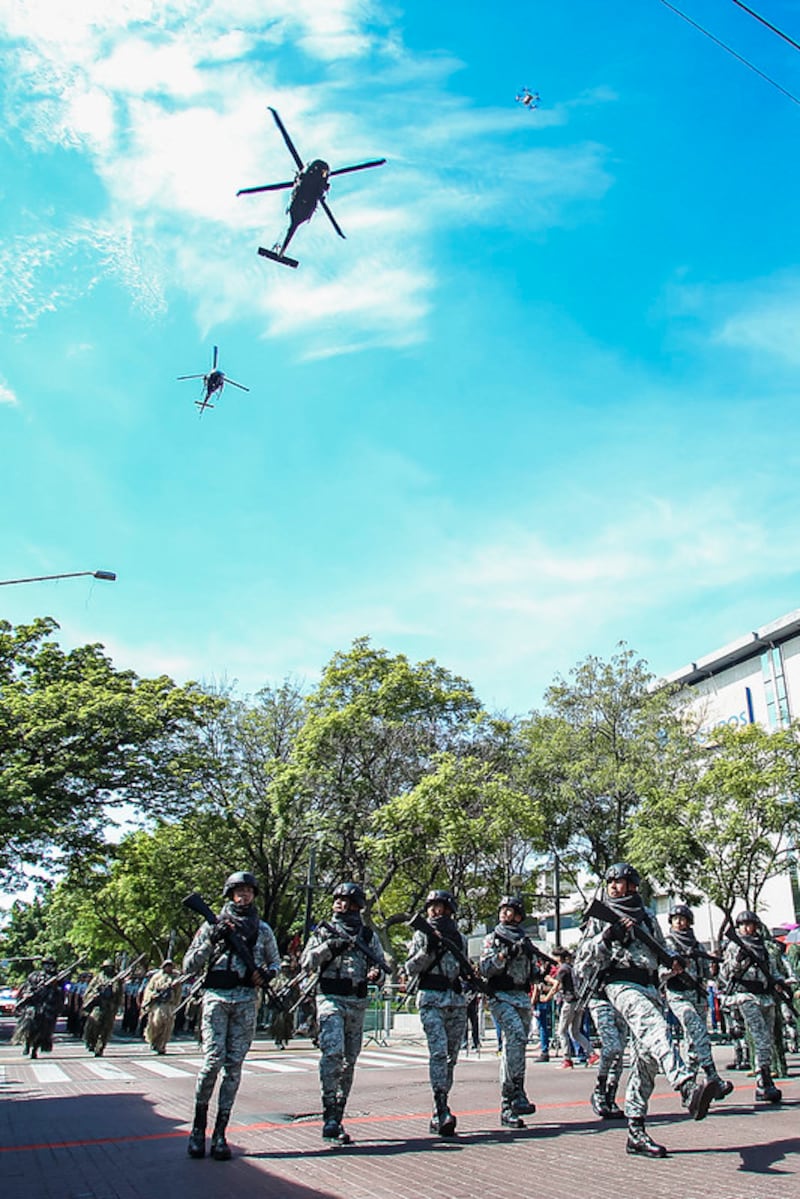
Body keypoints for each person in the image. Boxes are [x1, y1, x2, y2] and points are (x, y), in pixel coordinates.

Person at [581, 863, 720, 1158]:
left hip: (649, 986)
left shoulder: (646, 917)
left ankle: (636, 1129)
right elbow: (583, 960)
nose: (614, 887)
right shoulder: (600, 916)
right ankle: (686, 1086)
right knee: (655, 1026)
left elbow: (658, 950)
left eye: (620, 882)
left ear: (632, 885)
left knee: (646, 1060)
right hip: (620, 984)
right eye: (611, 882)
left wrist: (672, 962)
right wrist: (607, 937)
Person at [183, 871, 280, 1161]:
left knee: (233, 1067)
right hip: (216, 998)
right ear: (230, 894)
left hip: (246, 1000)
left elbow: (275, 962)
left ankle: (221, 1132)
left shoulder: (261, 930)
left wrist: (266, 974)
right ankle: (198, 1129)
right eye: (239, 891)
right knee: (212, 1062)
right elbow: (189, 965)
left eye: (249, 891)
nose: (244, 895)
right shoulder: (210, 926)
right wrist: (211, 939)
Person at [301, 882, 388, 1145]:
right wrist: (330, 947)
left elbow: (381, 966)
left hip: (357, 1002)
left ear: (356, 905)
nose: (339, 904)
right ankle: (328, 1112)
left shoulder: (368, 935)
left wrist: (377, 975)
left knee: (349, 1062)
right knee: (333, 1054)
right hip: (330, 998)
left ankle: (337, 1115)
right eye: (337, 899)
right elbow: (306, 962)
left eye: (345, 900)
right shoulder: (324, 930)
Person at [405, 889, 468, 1137]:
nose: (434, 910)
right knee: (439, 1052)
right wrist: (426, 950)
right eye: (431, 906)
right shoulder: (421, 934)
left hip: (456, 1001)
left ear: (450, 909)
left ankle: (439, 1105)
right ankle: (441, 1107)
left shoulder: (459, 938)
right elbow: (409, 968)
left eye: (440, 906)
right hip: (431, 998)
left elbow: (462, 966)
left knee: (451, 1057)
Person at [479, 895, 542, 1127]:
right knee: (514, 1037)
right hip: (500, 995)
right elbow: (484, 968)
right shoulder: (493, 938)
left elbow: (533, 973)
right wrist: (504, 955)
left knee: (518, 1045)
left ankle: (518, 1092)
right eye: (503, 909)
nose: (505, 914)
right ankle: (509, 1100)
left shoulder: (525, 939)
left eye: (511, 910)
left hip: (522, 998)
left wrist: (539, 969)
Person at [663, 903, 732, 1100]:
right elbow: (661, 971)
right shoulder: (669, 943)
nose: (679, 922)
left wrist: (714, 968)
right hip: (678, 995)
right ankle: (713, 1076)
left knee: (694, 1042)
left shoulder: (696, 945)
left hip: (698, 995)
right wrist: (674, 969)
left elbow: (706, 973)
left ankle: (691, 1089)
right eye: (675, 919)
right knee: (697, 1030)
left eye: (682, 919)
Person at [719, 910, 785, 1104]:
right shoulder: (734, 946)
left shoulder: (763, 946)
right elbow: (726, 972)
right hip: (745, 996)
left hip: (765, 995)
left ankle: (766, 1075)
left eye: (750, 924)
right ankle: (762, 1077)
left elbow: (772, 969)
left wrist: (779, 982)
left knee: (769, 1037)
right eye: (743, 925)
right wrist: (738, 960)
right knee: (760, 1036)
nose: (747, 928)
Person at [548, 946, 598, 1069]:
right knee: (575, 1031)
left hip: (569, 1001)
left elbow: (557, 986)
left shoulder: (563, 969)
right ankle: (592, 1054)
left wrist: (547, 996)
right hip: (579, 1001)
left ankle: (567, 1059)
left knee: (562, 1031)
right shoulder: (571, 968)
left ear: (559, 957)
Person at [12, 958, 63, 1059]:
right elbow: (26, 987)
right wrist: (29, 993)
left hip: (48, 1006)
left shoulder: (57, 978)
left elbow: (61, 994)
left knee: (44, 1030)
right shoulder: (34, 975)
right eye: (46, 964)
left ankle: (35, 1049)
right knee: (28, 1023)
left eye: (51, 964)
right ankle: (27, 1044)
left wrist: (55, 987)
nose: (48, 966)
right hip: (34, 1004)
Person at [141, 959, 183, 1055]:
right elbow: (149, 989)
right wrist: (152, 995)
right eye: (167, 966)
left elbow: (178, 993)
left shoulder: (175, 978)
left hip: (169, 1005)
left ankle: (162, 1045)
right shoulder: (156, 977)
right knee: (155, 1025)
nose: (168, 968)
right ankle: (154, 1042)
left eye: (170, 966)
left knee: (167, 1027)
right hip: (158, 1005)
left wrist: (176, 1003)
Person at [82, 961, 124, 1057]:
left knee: (106, 1029)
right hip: (98, 1006)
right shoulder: (97, 978)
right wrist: (97, 992)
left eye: (111, 967)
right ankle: (91, 1043)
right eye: (107, 967)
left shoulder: (116, 979)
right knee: (93, 1025)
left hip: (109, 1006)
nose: (109, 969)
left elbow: (119, 995)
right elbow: (88, 992)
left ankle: (100, 1048)